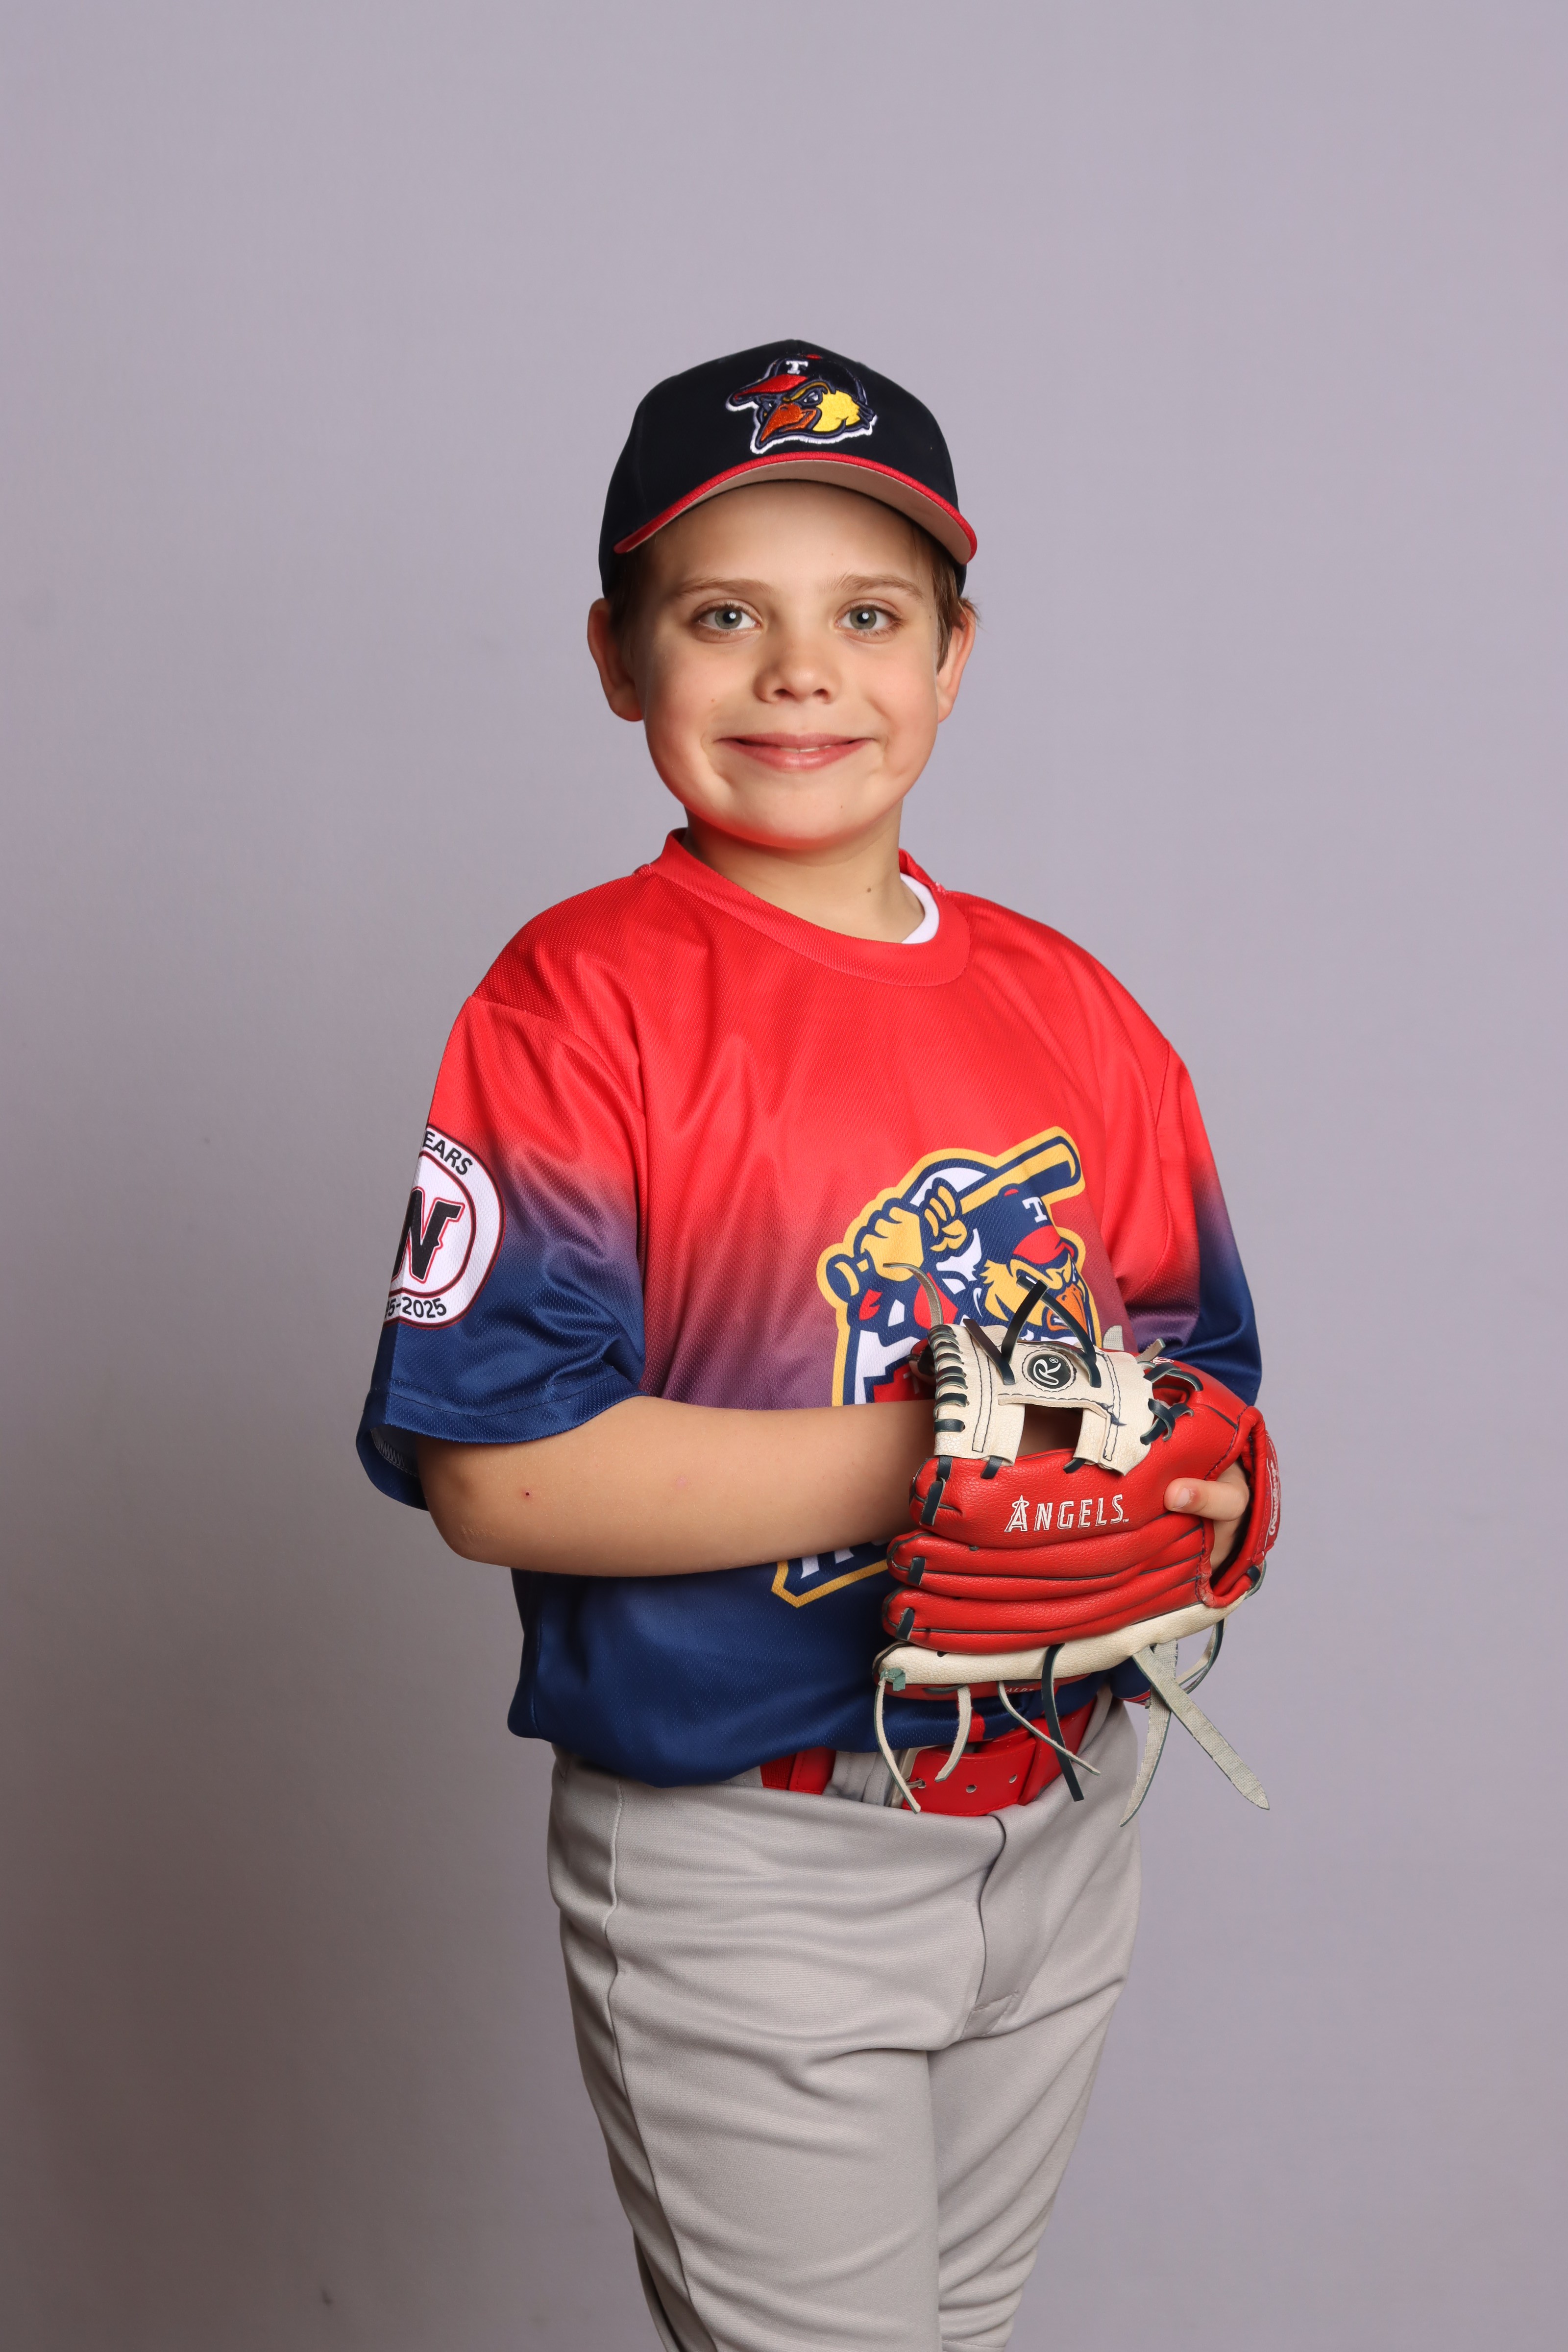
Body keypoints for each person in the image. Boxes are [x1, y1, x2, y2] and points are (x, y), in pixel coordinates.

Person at [356, 342, 1261, 2352]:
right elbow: (502, 1473)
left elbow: (1198, 1374)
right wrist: (950, 1453)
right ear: (619, 658)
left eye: (866, 617)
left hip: (1058, 1801)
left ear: (951, 657)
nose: (799, 674)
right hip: (747, 1843)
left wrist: (1203, 1489)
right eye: (721, 617)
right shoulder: (577, 1002)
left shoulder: (1075, 1009)